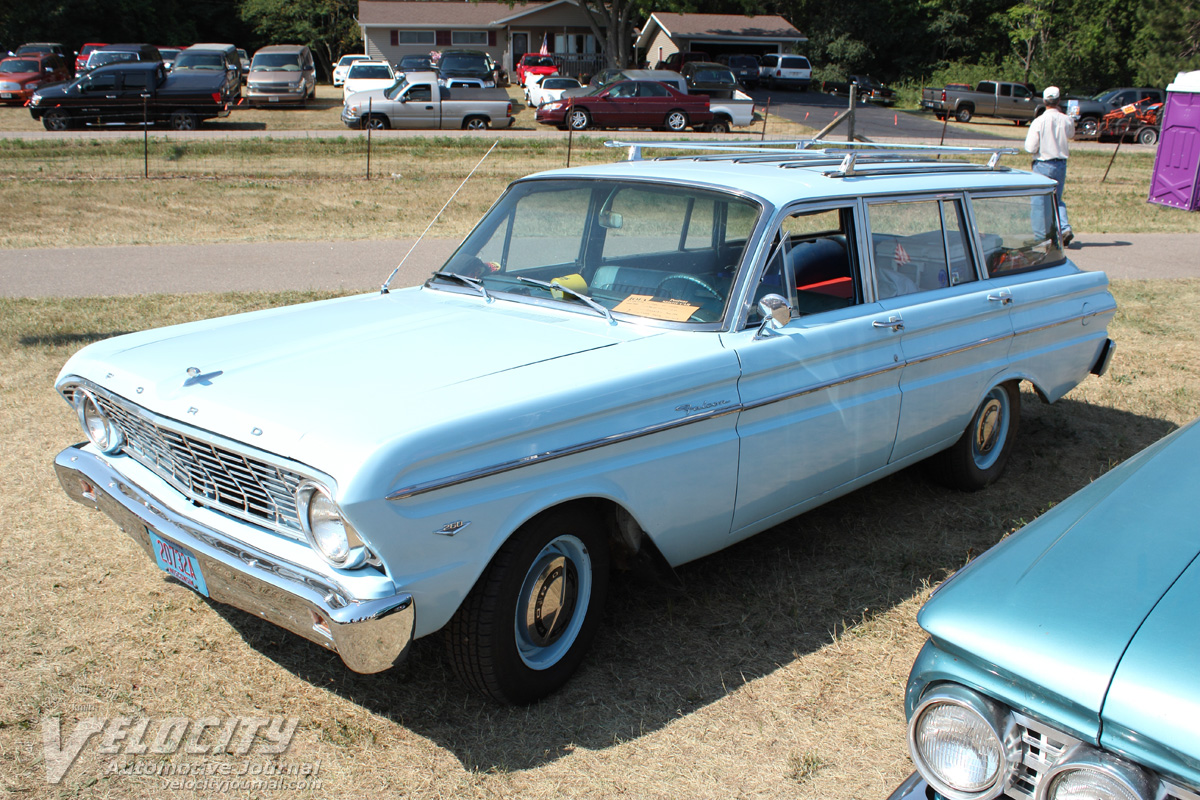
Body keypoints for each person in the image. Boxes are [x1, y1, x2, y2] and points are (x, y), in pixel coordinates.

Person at [1025, 86, 1075, 246]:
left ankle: (1041, 238)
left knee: (1039, 201)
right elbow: (1071, 134)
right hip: (1060, 163)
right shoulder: (1066, 119)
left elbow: (1030, 147)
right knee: (1057, 198)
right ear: (1059, 100)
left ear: (1044, 101)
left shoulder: (1039, 121)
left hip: (1043, 163)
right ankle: (1064, 228)